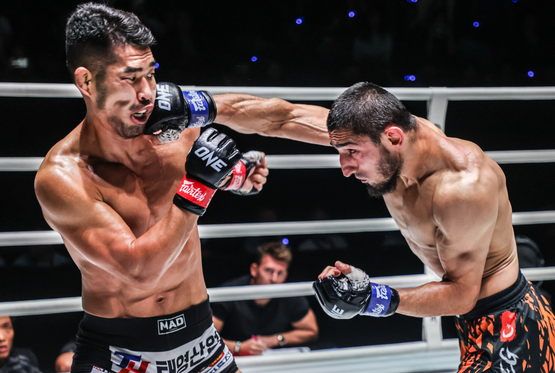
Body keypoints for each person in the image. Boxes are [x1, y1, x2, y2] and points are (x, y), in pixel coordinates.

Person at [34, 3, 329, 373]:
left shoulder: (175, 128)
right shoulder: (63, 175)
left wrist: (237, 175)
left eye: (151, 74)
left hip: (201, 339)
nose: (147, 93)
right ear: (86, 82)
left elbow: (275, 117)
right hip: (122, 352)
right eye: (130, 78)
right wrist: (201, 185)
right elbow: (140, 270)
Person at [312, 82, 555, 372]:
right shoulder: (394, 145)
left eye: (351, 151)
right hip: (477, 324)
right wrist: (240, 151)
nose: (345, 167)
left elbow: (464, 295)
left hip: (511, 331)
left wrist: (372, 298)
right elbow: (286, 118)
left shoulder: (462, 189)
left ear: (393, 137)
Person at [211, 242, 319, 356]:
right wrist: (238, 347)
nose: (274, 279)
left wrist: (275, 340)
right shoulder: (230, 292)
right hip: (232, 360)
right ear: (254, 270)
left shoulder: (289, 294)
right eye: (268, 270)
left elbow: (311, 331)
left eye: (280, 273)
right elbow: (207, 339)